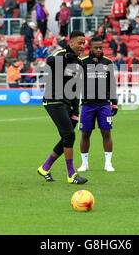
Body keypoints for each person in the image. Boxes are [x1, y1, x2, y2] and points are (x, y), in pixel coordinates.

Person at [37, 30, 88, 184]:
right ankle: (71, 174)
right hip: (53, 99)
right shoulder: (62, 53)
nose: (82, 46)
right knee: (69, 136)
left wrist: (75, 110)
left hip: (67, 103)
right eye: (79, 42)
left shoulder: (79, 63)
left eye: (83, 43)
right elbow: (49, 60)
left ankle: (45, 168)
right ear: (70, 42)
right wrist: (67, 57)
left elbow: (76, 87)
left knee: (67, 136)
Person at [78, 37, 118, 172]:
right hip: (87, 104)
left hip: (104, 104)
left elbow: (112, 84)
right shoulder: (82, 62)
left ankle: (108, 163)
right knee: (85, 134)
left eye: (101, 47)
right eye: (96, 47)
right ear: (90, 48)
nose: (99, 50)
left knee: (106, 132)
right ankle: (84, 164)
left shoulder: (108, 62)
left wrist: (115, 103)